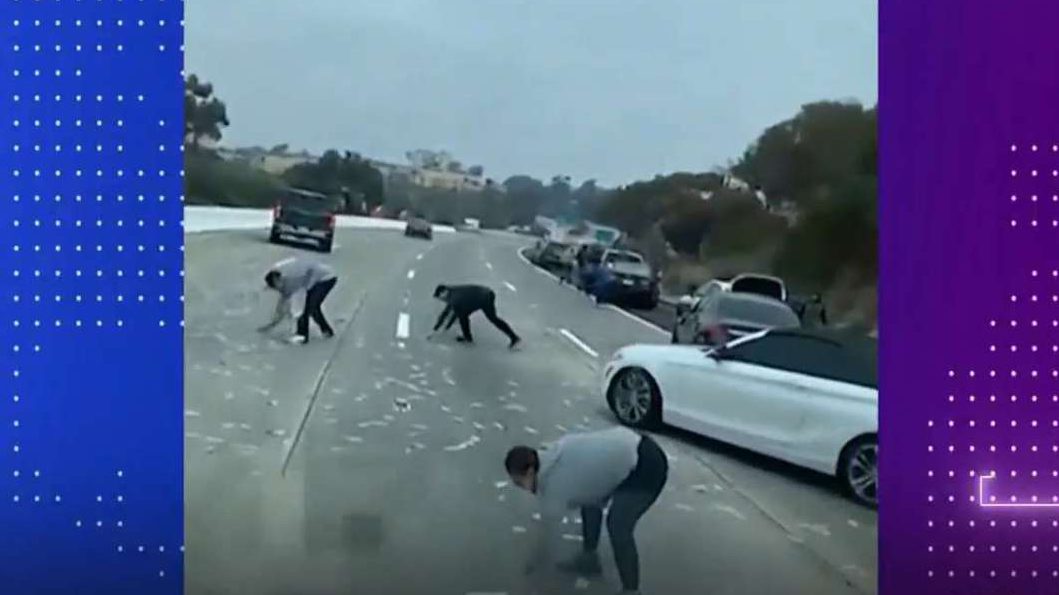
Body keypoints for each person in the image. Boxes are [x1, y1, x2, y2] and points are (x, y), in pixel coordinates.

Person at [504, 426, 669, 595]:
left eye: (519, 482)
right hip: (633, 445)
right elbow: (590, 491)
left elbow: (546, 535)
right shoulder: (553, 453)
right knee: (589, 501)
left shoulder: (555, 489)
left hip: (647, 468)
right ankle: (590, 560)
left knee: (618, 525)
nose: (521, 488)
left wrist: (534, 564)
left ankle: (631, 590)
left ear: (530, 471)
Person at [257, 257, 337, 344]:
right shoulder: (282, 279)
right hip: (314, 278)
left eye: (276, 287)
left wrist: (276, 321)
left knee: (309, 307)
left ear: (278, 280)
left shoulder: (292, 281)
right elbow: (282, 304)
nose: (278, 290)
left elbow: (298, 304)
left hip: (325, 278)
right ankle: (326, 331)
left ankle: (302, 336)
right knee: (313, 307)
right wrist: (272, 324)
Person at [429, 284, 521, 349]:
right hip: (482, 295)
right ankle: (467, 337)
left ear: (444, 292)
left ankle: (514, 338)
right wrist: (439, 327)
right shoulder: (452, 291)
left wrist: (439, 329)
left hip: (485, 297)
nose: (441, 300)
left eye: (440, 297)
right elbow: (448, 313)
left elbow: (448, 314)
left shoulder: (454, 298)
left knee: (491, 318)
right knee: (463, 315)